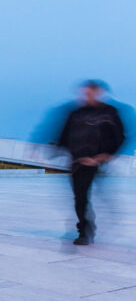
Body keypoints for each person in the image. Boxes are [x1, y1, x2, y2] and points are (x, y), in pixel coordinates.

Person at [58, 80, 126, 245]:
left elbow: (120, 136)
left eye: (90, 92)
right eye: (84, 92)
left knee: (95, 196)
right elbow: (64, 135)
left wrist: (105, 155)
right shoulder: (76, 113)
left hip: (98, 161)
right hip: (80, 162)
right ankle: (85, 230)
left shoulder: (110, 112)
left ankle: (89, 226)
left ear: (98, 92)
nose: (86, 96)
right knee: (80, 198)